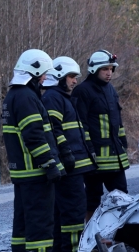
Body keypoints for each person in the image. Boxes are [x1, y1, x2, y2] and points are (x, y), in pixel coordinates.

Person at [2, 49, 65, 252]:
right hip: (36, 173)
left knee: (22, 228)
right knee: (40, 228)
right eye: (44, 73)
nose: (45, 78)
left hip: (23, 174)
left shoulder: (13, 95)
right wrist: (50, 164)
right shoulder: (26, 97)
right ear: (34, 72)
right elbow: (35, 135)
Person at [42, 56, 97, 252]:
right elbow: (55, 130)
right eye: (72, 76)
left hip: (72, 168)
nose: (75, 81)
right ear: (58, 76)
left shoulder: (61, 97)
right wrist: (67, 156)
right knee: (73, 214)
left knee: (64, 213)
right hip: (68, 170)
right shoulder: (53, 97)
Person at [72, 49, 129, 222]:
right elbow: (81, 124)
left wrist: (122, 142)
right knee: (92, 199)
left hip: (115, 158)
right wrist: (89, 150)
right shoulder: (82, 91)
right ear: (94, 70)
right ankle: (90, 236)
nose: (109, 73)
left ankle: (119, 233)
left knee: (121, 197)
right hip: (94, 160)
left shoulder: (110, 90)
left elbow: (116, 120)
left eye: (111, 69)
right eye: (105, 69)